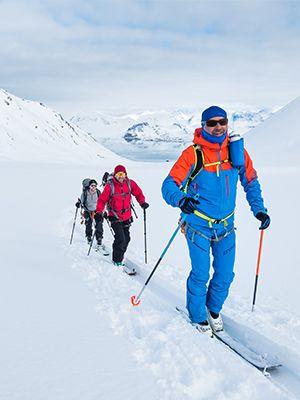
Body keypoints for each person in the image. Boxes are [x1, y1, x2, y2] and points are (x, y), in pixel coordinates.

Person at [162, 106, 270, 335]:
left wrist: (259, 210)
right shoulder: (193, 154)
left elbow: (250, 182)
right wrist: (181, 200)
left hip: (226, 228)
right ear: (203, 126)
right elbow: (169, 185)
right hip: (197, 226)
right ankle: (198, 316)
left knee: (225, 275)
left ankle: (212, 310)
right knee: (200, 274)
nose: (218, 126)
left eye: (222, 121)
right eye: (212, 123)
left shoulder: (237, 151)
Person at [96, 165, 149, 266]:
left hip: (127, 216)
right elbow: (102, 200)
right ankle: (117, 260)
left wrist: (142, 202)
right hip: (114, 216)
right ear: (115, 175)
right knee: (120, 238)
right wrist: (99, 212)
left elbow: (138, 193)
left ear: (125, 174)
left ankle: (120, 255)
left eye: (122, 174)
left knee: (127, 238)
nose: (120, 176)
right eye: (118, 174)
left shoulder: (130, 183)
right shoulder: (110, 186)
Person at [75, 179, 104, 247]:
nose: (93, 187)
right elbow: (82, 201)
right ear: (89, 186)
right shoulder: (85, 193)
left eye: (95, 186)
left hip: (97, 211)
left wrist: (103, 210)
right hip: (88, 210)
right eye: (92, 186)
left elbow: (102, 201)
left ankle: (99, 238)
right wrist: (78, 204)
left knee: (99, 224)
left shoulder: (98, 192)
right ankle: (88, 236)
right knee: (88, 224)